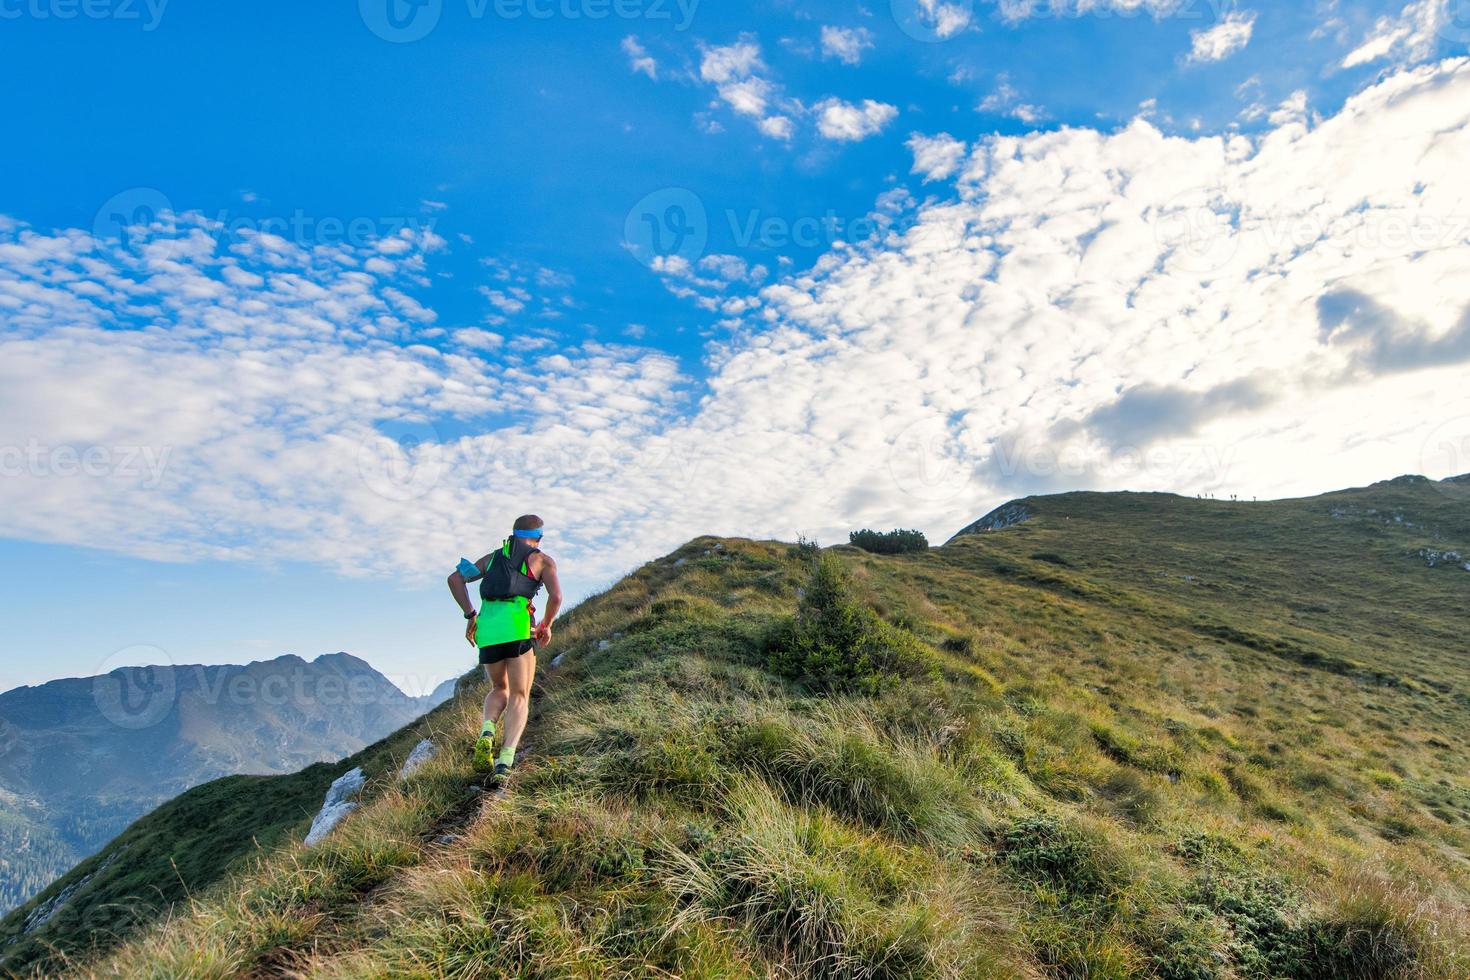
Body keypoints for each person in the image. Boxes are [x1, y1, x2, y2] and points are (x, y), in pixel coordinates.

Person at [447, 514, 562, 780]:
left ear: (513, 533)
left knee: (499, 688)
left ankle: (487, 730)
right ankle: (504, 763)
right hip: (518, 630)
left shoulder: (492, 558)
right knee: (519, 695)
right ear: (539, 537)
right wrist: (546, 624)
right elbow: (556, 596)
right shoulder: (543, 561)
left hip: (487, 633)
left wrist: (470, 615)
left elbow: (455, 579)